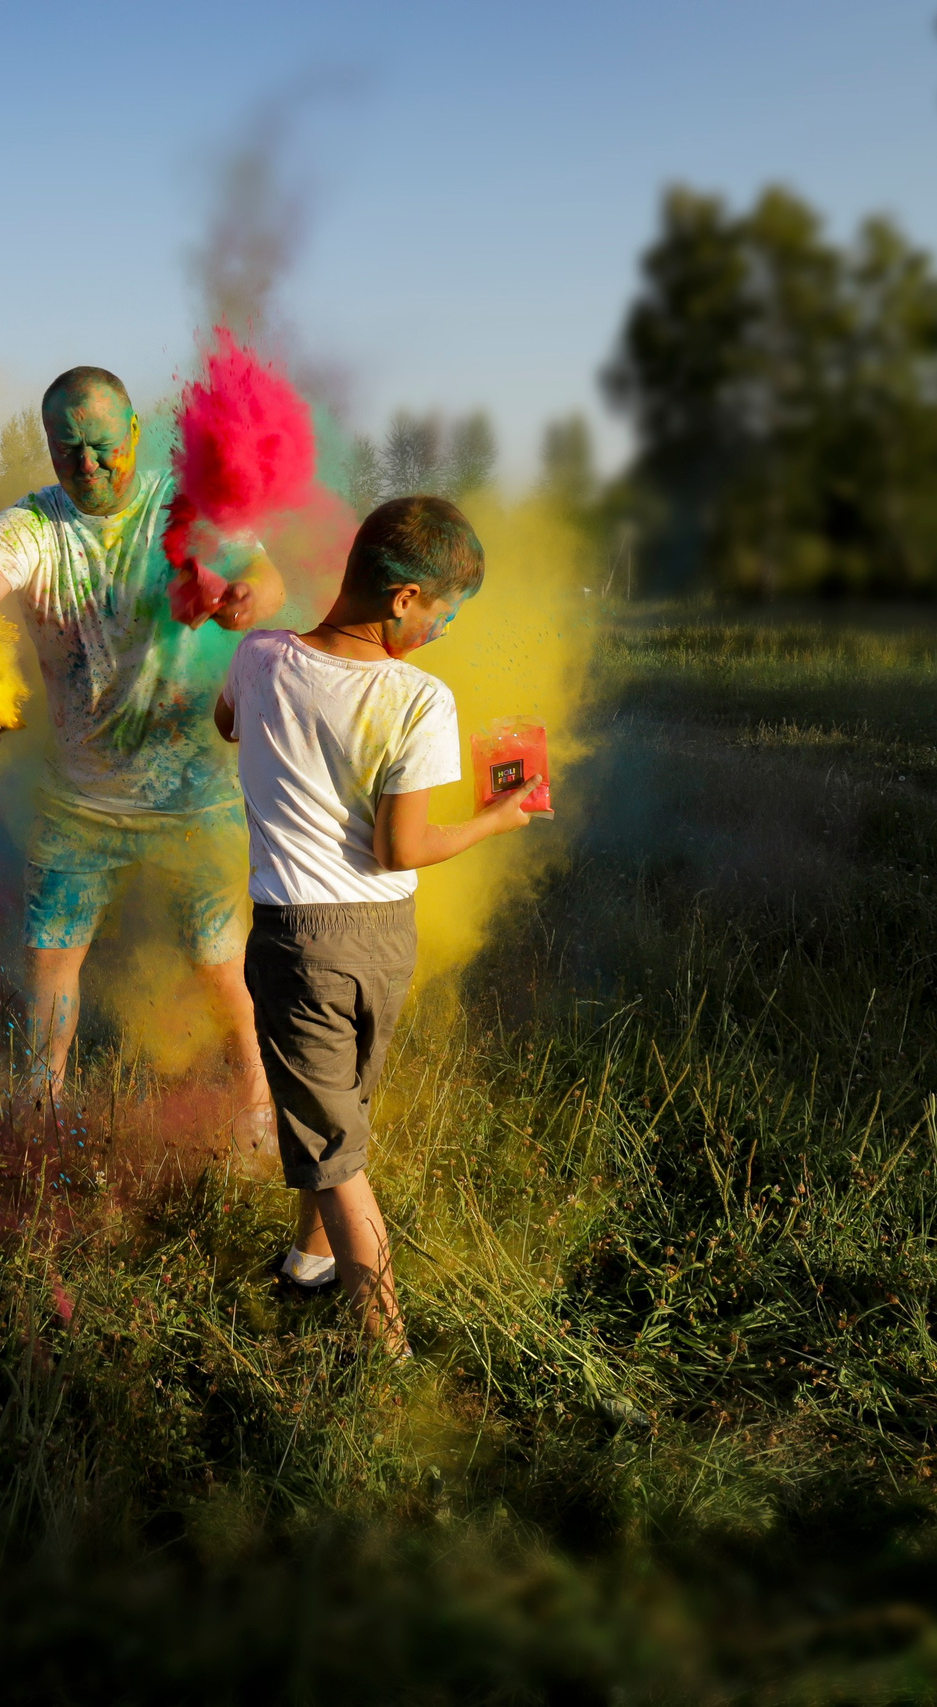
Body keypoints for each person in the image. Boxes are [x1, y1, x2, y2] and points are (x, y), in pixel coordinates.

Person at [213, 495, 540, 1355]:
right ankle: (360, 1322)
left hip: (298, 941)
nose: (444, 631)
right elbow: (402, 847)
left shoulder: (257, 658)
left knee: (336, 1154)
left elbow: (224, 722)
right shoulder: (421, 697)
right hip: (385, 940)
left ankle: (380, 1345)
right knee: (340, 1125)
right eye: (445, 613)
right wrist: (494, 821)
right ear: (403, 599)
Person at [0, 366, 285, 1129]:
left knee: (219, 963)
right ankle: (44, 1112)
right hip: (80, 799)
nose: (90, 465)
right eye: (68, 448)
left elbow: (263, 575)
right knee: (51, 960)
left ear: (136, 432)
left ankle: (258, 1109)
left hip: (192, 791)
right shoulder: (32, 525)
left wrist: (247, 599)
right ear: (48, 447)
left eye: (105, 446)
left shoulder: (185, 510)